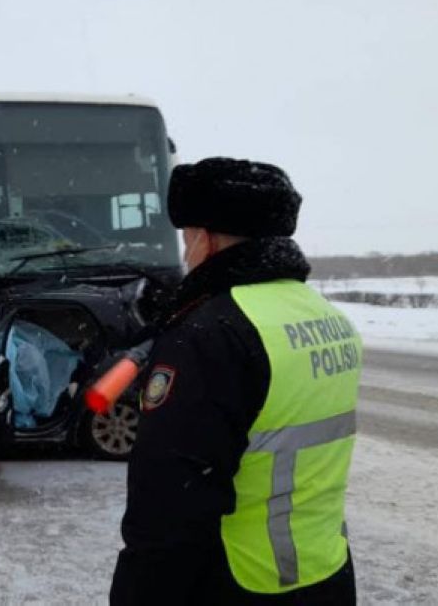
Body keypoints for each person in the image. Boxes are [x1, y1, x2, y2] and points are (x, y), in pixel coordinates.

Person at [111, 158, 360, 604]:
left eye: (187, 237)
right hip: (326, 571)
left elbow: (170, 505)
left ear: (205, 240)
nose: (186, 251)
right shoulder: (327, 317)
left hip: (240, 578)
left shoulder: (211, 333)